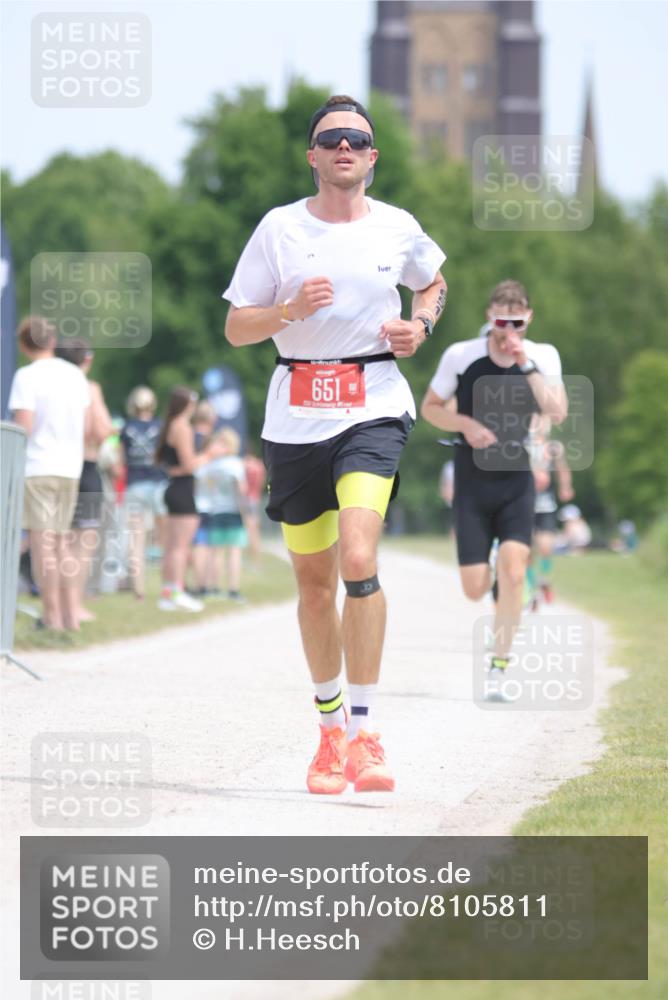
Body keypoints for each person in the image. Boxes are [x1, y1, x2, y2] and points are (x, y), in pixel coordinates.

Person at [223, 94, 447, 794]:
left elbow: (433, 282)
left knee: (358, 555)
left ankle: (366, 732)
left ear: (372, 157)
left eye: (357, 138)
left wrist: (422, 325)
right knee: (314, 587)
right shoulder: (279, 230)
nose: (344, 147)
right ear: (313, 156)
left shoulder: (398, 227)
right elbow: (236, 328)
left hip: (375, 404)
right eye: (331, 139)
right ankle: (327, 735)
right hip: (295, 413)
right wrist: (286, 310)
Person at [421, 280, 567, 689]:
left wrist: (527, 363)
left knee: (517, 571)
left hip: (517, 479)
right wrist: (464, 424)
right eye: (502, 321)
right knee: (474, 587)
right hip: (471, 481)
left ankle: (499, 667)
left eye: (517, 322)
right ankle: (500, 584)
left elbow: (556, 410)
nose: (508, 331)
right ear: (490, 316)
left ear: (528, 319)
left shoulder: (542, 356)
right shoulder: (461, 356)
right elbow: (430, 408)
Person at [8, 316, 90, 630]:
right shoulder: (75, 375)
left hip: (39, 467)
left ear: (23, 344)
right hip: (71, 466)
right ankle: (72, 616)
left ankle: (53, 617)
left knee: (43, 546)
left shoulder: (26, 377)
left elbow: (23, 427)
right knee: (63, 544)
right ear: (52, 341)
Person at [54, 342, 113, 626]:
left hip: (57, 468)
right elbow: (101, 431)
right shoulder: (89, 388)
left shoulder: (51, 386)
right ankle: (74, 609)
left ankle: (55, 610)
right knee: (82, 546)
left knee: (57, 543)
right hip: (86, 468)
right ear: (86, 360)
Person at [155, 387, 225, 612]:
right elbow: (189, 464)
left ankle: (168, 593)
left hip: (174, 486)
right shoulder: (182, 427)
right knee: (180, 547)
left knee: (172, 546)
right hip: (183, 488)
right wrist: (210, 454)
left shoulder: (170, 425)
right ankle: (175, 593)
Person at [120, 386, 168, 600]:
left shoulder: (126, 428)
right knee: (165, 538)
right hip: (158, 484)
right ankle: (169, 584)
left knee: (136, 539)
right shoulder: (160, 427)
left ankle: (138, 589)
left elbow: (122, 460)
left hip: (135, 484)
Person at [193, 427, 249, 600]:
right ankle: (233, 590)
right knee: (234, 551)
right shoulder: (235, 464)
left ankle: (213, 587)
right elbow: (242, 489)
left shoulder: (211, 465)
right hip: (232, 510)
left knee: (215, 551)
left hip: (214, 510)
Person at [526, 417, 574, 606]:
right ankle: (530, 590)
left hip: (545, 505)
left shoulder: (553, 447)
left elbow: (563, 469)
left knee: (546, 546)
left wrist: (565, 487)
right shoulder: (522, 443)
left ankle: (544, 579)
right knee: (526, 551)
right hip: (524, 503)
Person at [243, 449, 267, 566]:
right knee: (255, 531)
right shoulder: (261, 466)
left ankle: (255, 561)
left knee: (251, 532)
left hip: (248, 499)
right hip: (255, 498)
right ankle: (255, 560)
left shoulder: (248, 466)